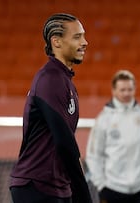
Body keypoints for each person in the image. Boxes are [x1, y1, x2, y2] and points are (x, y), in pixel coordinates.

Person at [9, 13, 91, 203]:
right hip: (36, 186)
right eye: (77, 37)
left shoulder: (64, 81)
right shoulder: (50, 79)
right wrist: (83, 195)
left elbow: (67, 144)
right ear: (57, 42)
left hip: (57, 186)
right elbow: (65, 143)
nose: (85, 42)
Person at [86, 70, 140, 203]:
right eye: (122, 89)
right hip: (112, 188)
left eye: (129, 89)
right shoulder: (103, 119)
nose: (126, 93)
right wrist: (100, 184)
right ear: (113, 90)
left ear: (134, 89)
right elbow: (94, 155)